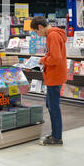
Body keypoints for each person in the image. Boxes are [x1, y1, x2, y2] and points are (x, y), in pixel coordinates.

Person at [31, 16, 67, 146]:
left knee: (53, 107)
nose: (38, 34)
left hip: (54, 76)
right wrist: (46, 58)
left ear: (40, 27)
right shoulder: (55, 34)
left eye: (36, 31)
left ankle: (57, 137)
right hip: (55, 75)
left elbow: (56, 59)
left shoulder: (52, 36)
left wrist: (42, 60)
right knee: (51, 105)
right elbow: (54, 55)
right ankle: (55, 134)